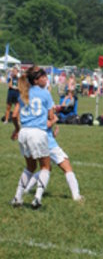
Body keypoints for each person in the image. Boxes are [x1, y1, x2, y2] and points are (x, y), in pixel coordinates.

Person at [10, 67, 56, 209]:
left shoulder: (23, 93)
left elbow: (14, 116)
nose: (45, 79)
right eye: (42, 77)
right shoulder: (45, 93)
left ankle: (17, 197)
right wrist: (53, 120)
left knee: (30, 167)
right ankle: (37, 198)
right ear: (35, 80)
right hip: (38, 133)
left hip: (24, 132)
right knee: (46, 166)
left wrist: (17, 129)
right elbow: (51, 116)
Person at [23, 125, 83, 202]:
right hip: (49, 145)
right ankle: (76, 196)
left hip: (38, 143)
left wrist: (52, 134)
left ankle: (26, 189)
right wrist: (54, 120)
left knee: (46, 168)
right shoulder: (45, 116)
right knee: (67, 167)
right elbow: (45, 124)